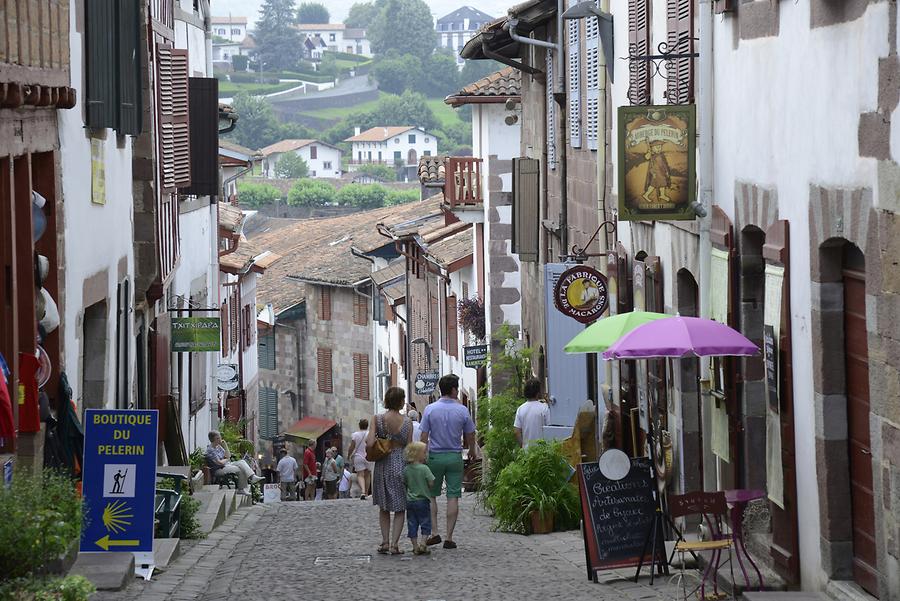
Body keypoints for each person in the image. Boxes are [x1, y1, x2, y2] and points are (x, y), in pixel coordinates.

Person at [419, 374, 476, 549]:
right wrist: (472, 450)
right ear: (452, 390)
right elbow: (470, 434)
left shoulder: (430, 409)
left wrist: (422, 454)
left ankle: (435, 532)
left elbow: (424, 435)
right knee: (453, 496)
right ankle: (449, 537)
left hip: (435, 456)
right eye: (457, 388)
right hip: (454, 456)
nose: (458, 391)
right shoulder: (462, 410)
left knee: (431, 496)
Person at [367, 386, 412, 555]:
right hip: (400, 463)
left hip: (382, 464)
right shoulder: (407, 422)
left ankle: (384, 542)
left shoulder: (377, 419)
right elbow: (409, 448)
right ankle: (394, 544)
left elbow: (370, 442)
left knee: (384, 507)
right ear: (401, 401)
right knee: (400, 508)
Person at [403, 441, 435, 556]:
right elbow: (431, 483)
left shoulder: (406, 469)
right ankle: (423, 543)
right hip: (423, 500)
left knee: (412, 524)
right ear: (418, 454)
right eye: (424, 452)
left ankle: (415, 546)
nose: (426, 454)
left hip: (410, 501)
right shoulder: (424, 468)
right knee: (425, 522)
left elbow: (405, 482)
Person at [514, 378, 551, 448]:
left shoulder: (520, 409)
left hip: (527, 451)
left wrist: (522, 446)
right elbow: (550, 428)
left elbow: (516, 431)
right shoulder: (544, 408)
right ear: (538, 393)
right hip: (542, 451)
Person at [347, 419, 370, 501]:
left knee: (360, 475)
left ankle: (363, 492)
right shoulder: (369, 434)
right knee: (367, 475)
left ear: (359, 425)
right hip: (368, 456)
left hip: (358, 456)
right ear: (367, 425)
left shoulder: (355, 435)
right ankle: (366, 493)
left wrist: (349, 455)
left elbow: (352, 447)